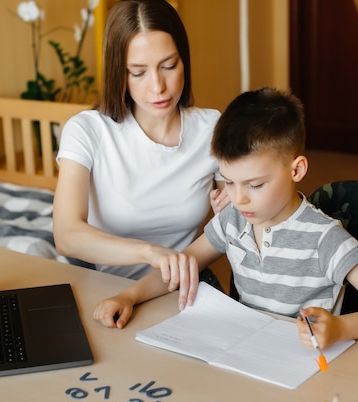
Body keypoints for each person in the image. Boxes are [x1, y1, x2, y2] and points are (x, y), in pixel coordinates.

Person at [94, 86, 358, 352]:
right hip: (243, 353)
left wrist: (341, 327)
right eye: (229, 181)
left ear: (296, 170)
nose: (238, 198)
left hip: (303, 367)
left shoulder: (323, 239)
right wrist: (128, 296)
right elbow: (182, 264)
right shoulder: (233, 221)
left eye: (255, 185)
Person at [53, 0, 229, 294]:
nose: (158, 86)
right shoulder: (87, 130)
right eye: (138, 72)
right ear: (118, 74)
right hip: (105, 286)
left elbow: (232, 226)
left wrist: (235, 207)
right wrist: (150, 253)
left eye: (169, 66)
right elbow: (66, 235)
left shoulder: (211, 128)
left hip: (179, 284)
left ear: (184, 60)